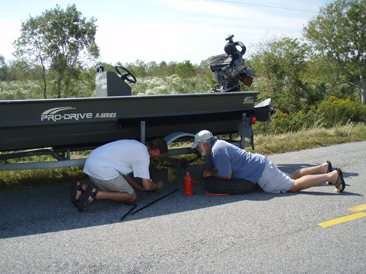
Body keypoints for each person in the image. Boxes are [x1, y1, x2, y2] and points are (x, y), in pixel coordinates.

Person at [191, 130, 346, 194]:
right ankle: (322, 168)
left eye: (197, 146)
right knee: (290, 176)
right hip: (261, 164)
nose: (197, 149)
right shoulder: (215, 147)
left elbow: (227, 177)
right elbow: (207, 167)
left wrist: (210, 174)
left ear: (205, 143)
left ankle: (331, 176)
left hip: (261, 172)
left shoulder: (218, 150)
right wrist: (200, 179)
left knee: (293, 186)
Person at [71, 138, 168, 212]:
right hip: (102, 169)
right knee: (132, 196)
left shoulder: (136, 145)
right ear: (157, 151)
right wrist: (157, 185)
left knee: (113, 191)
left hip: (91, 164)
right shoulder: (143, 157)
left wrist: (138, 187)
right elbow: (148, 186)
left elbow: (125, 174)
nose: (158, 158)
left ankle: (81, 187)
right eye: (160, 156)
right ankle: (96, 194)